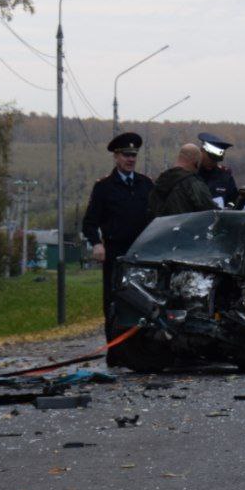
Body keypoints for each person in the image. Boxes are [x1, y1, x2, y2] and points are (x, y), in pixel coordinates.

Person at [82, 132, 155, 344]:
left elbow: (155, 217)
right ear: (116, 156)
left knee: (143, 302)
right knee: (114, 303)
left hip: (142, 254)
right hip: (116, 254)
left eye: (133, 155)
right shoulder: (104, 187)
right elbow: (89, 222)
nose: (130, 159)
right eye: (126, 155)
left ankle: (140, 350)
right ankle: (115, 352)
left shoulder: (145, 184)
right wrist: (97, 243)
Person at [147, 143, 216, 220]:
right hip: (185, 230)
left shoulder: (160, 181)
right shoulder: (193, 184)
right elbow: (212, 211)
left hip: (162, 230)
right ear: (196, 163)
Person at [197, 132, 240, 208]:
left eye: (215, 160)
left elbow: (234, 199)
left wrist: (229, 206)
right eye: (210, 159)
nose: (213, 162)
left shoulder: (225, 176)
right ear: (202, 151)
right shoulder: (193, 173)